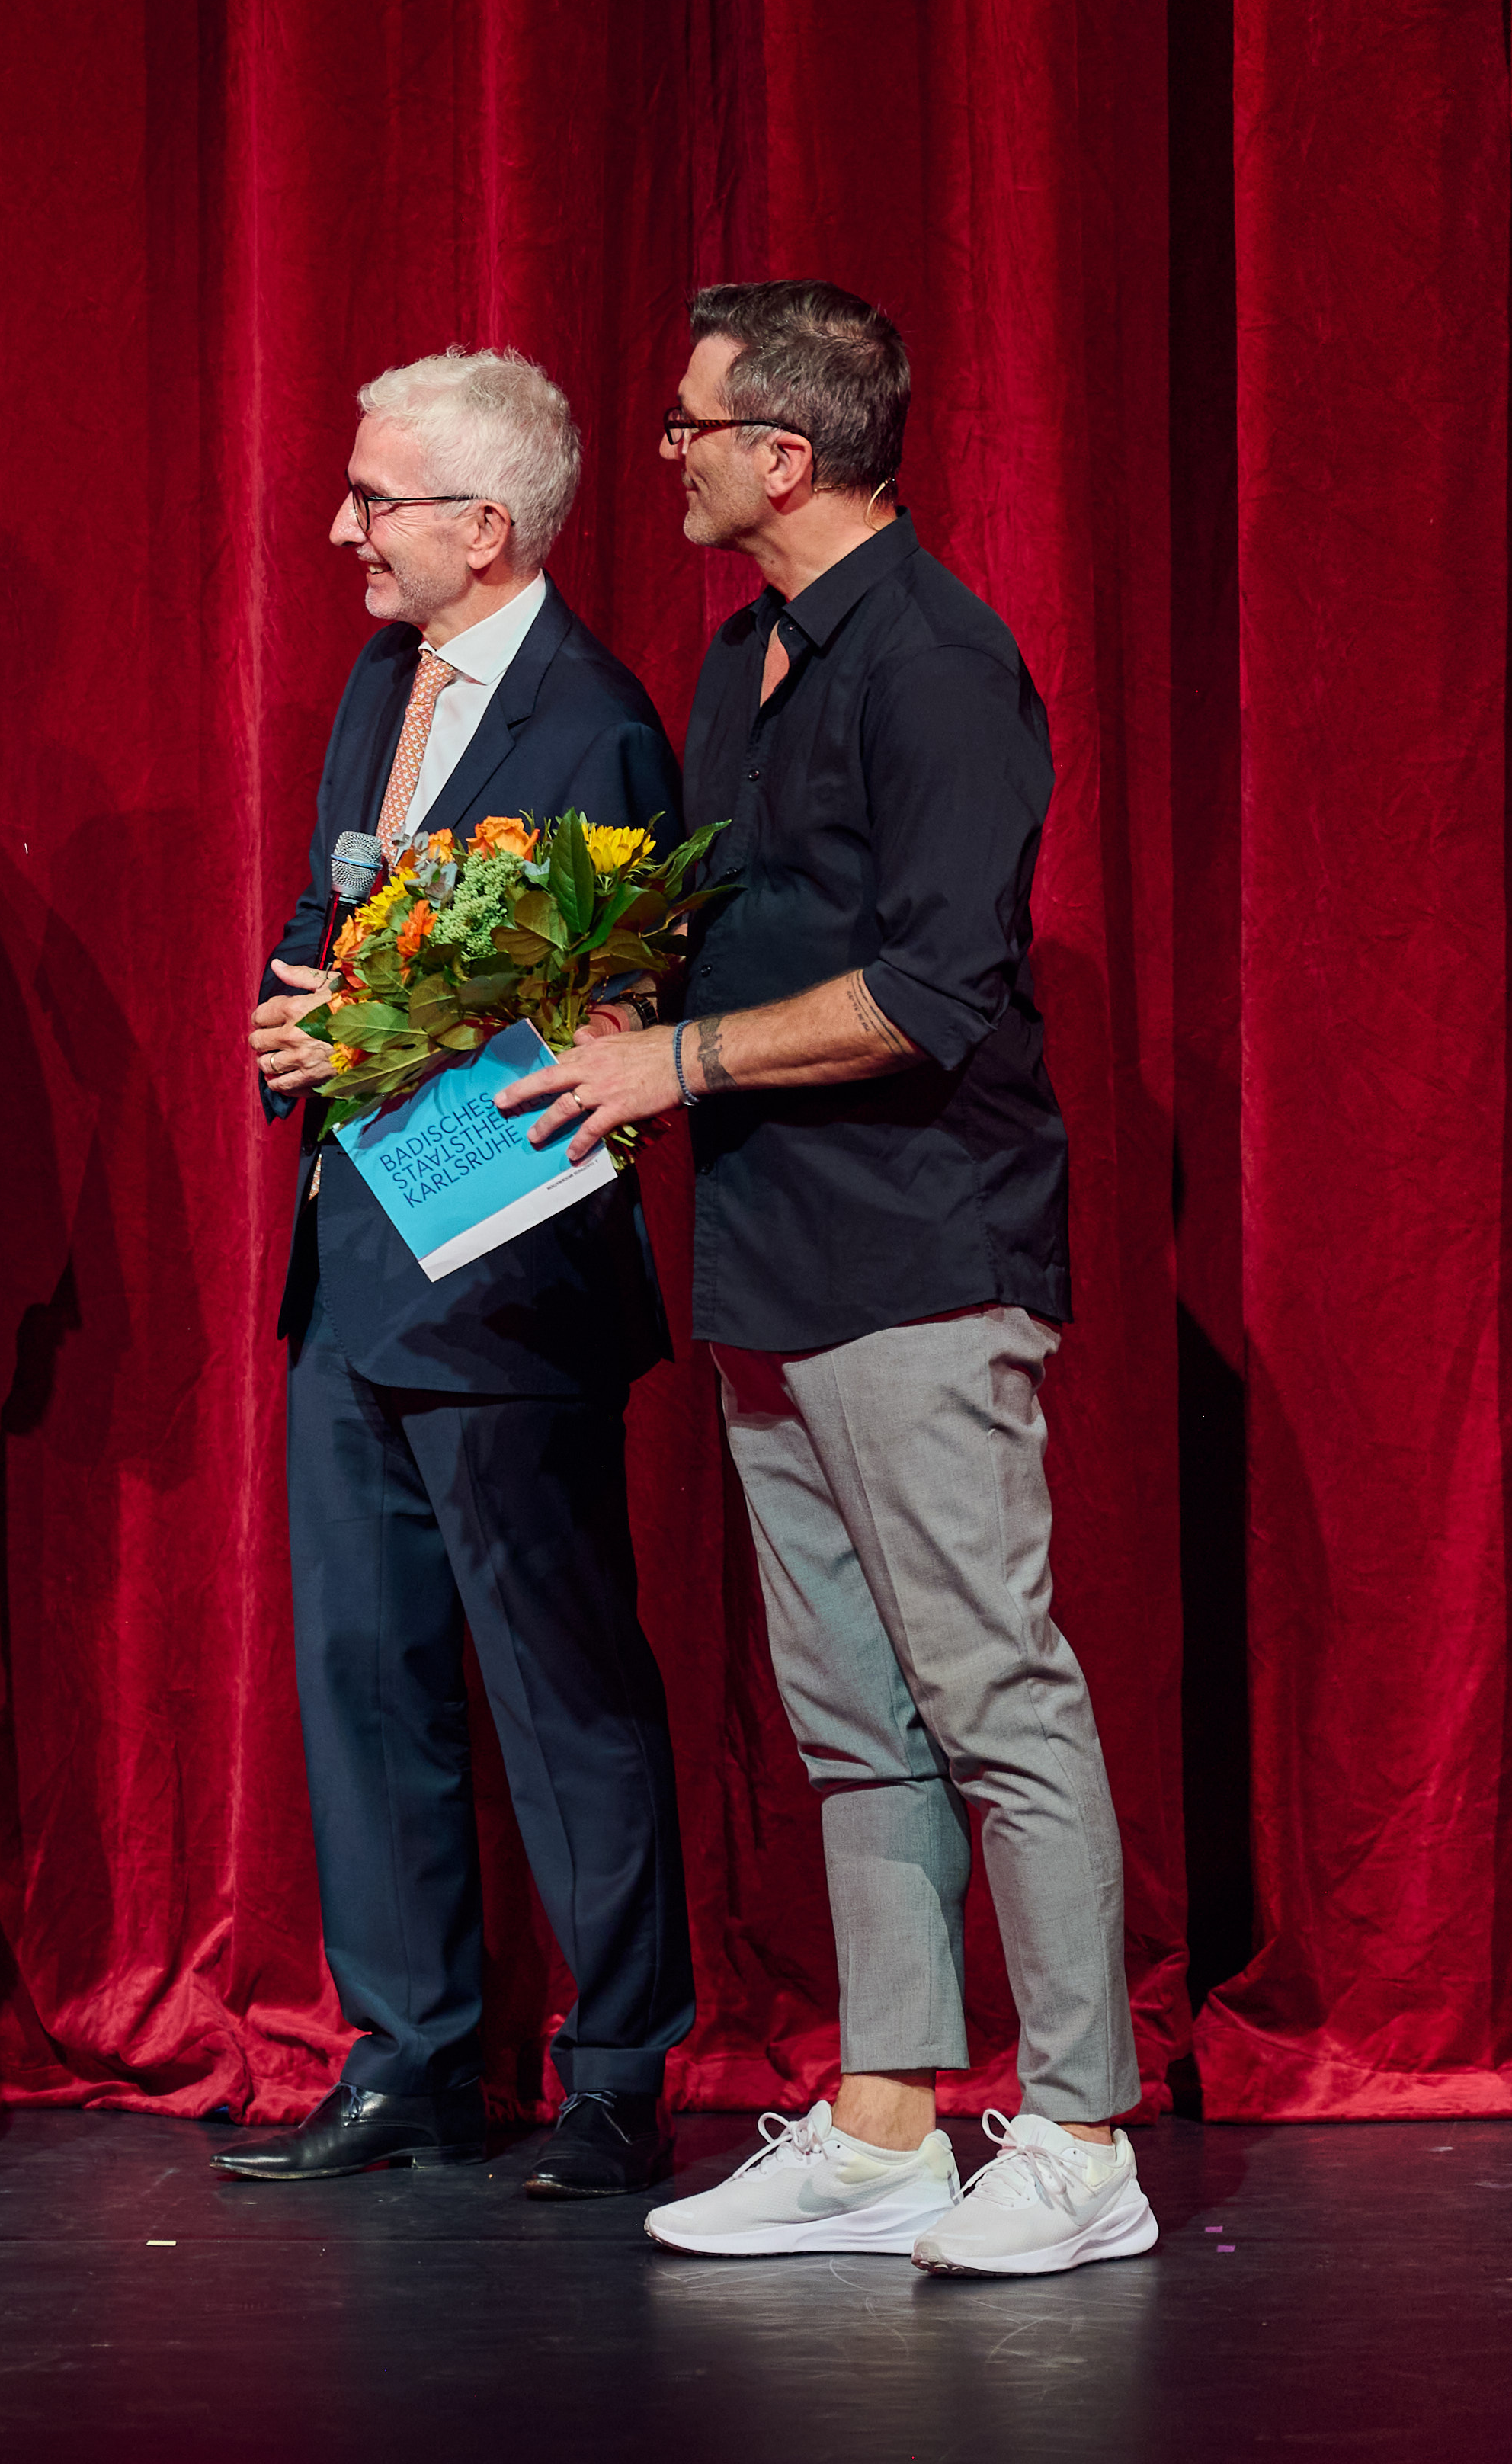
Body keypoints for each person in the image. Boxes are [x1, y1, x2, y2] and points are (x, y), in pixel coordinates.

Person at [501, 280, 1154, 2276]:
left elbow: (939, 993)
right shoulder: (741, 660)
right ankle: (885, 2119)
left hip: (921, 1256)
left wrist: (673, 1062)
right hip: (771, 1258)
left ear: (781, 455)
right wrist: (570, 1022)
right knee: (851, 1711)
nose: (668, 450)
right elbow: (730, 942)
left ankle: (1080, 2137)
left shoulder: (940, 666)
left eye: (690, 423)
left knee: (990, 1695)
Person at [221, 348, 697, 2200]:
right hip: (353, 1269)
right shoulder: (380, 680)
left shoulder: (598, 721)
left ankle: (615, 2068)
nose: (343, 524)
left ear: (485, 528)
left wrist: (383, 1027)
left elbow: (611, 1003)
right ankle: (407, 2053)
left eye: (376, 498)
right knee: (366, 1670)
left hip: (504, 1277)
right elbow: (336, 906)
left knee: (561, 1683)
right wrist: (291, 1007)